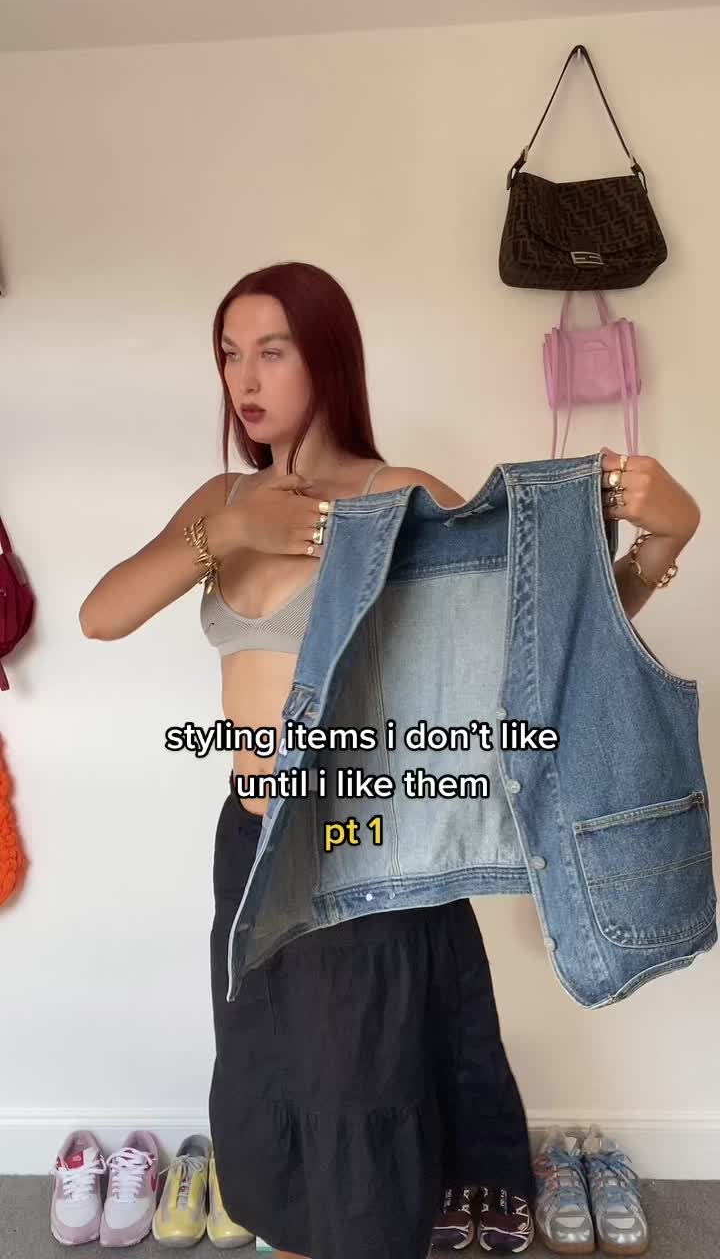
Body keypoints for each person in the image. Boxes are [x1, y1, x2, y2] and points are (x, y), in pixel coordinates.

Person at [79, 261, 700, 1259]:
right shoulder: (222, 499)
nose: (246, 376)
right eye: (230, 353)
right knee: (267, 1084)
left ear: (327, 355)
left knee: (360, 1117)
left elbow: (547, 646)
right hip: (250, 840)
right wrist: (230, 527)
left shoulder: (403, 498)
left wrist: (662, 540)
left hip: (365, 847)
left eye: (272, 349)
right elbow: (101, 614)